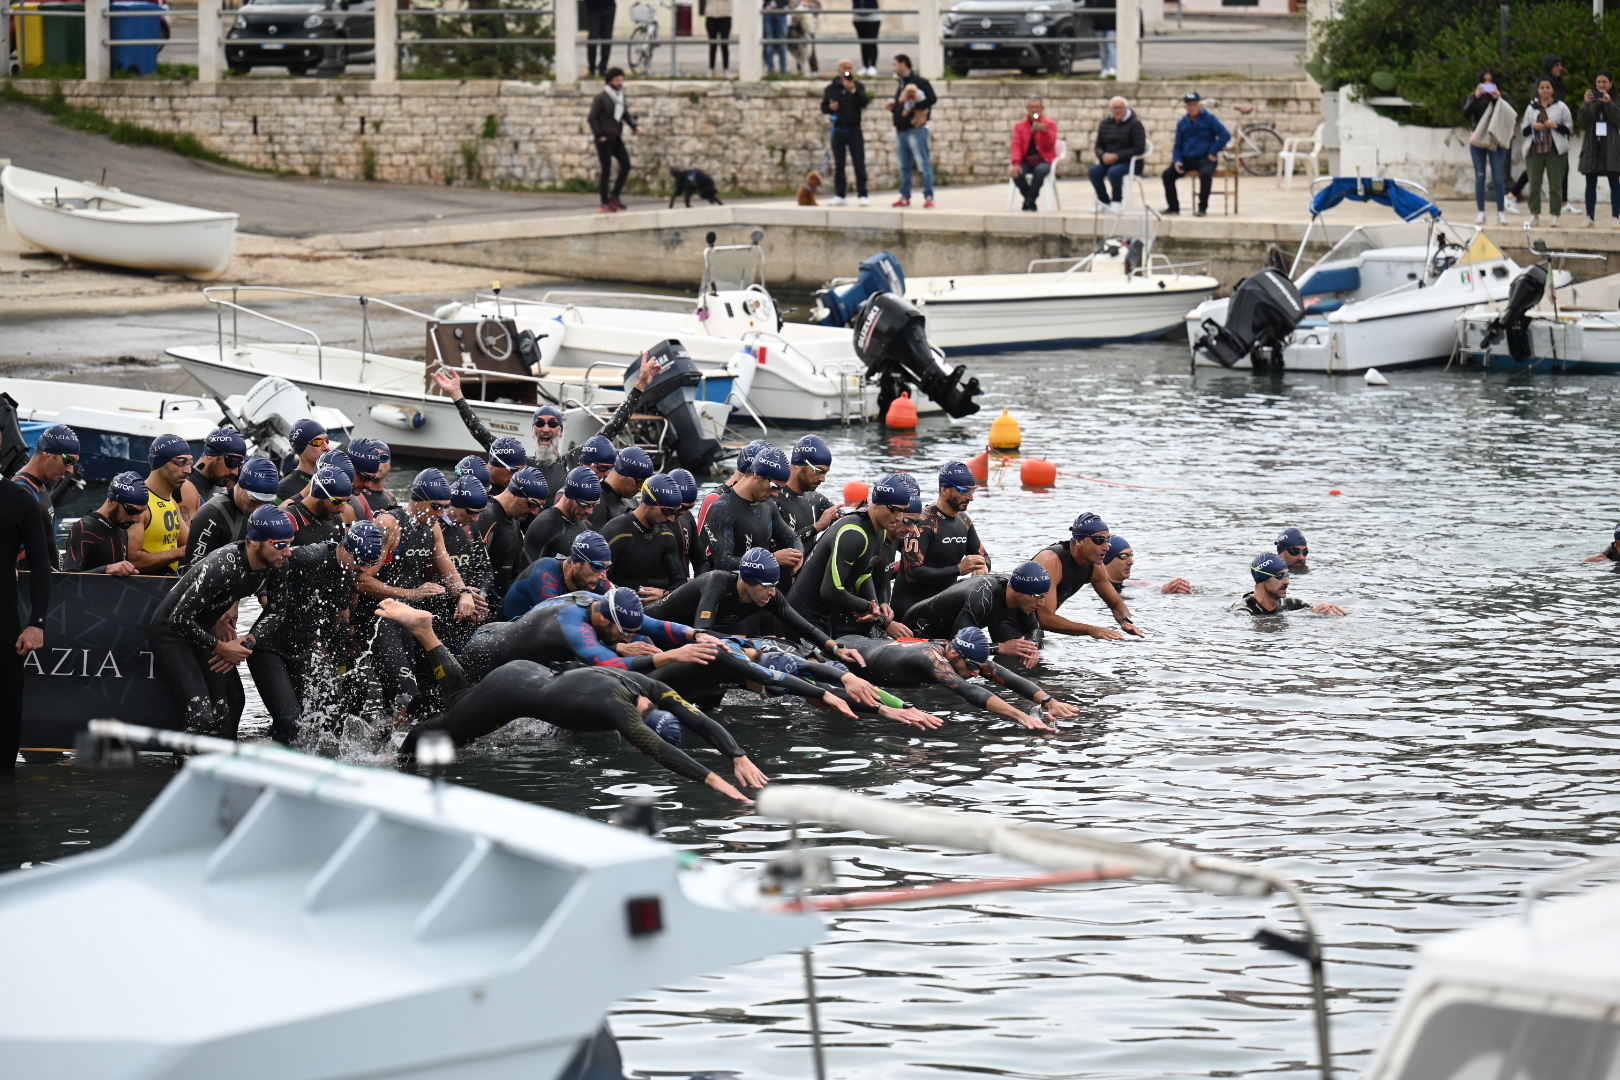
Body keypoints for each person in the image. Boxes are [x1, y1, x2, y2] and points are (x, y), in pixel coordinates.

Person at [381, 601, 763, 803]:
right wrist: (718, 782)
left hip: (526, 675)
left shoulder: (644, 685)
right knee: (432, 738)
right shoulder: (619, 711)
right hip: (510, 690)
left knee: (461, 703)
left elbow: (697, 720)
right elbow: (663, 752)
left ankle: (426, 634)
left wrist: (738, 755)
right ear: (636, 736)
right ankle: (390, 765)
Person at [148, 505, 293, 739]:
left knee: (234, 702)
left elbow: (277, 611)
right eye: (280, 545)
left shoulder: (278, 564)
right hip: (171, 634)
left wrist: (247, 643)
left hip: (204, 630)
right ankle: (183, 769)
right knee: (200, 713)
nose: (288, 552)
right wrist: (222, 648)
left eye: (290, 543)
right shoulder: (223, 565)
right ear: (256, 542)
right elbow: (178, 618)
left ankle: (225, 765)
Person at [248, 520, 384, 744]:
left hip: (305, 647)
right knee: (289, 719)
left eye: (370, 564)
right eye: (360, 562)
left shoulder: (348, 570)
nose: (364, 569)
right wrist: (262, 595)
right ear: (346, 547)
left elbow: (338, 614)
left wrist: (348, 633)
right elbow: (257, 561)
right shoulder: (311, 556)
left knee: (333, 713)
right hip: (270, 647)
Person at [646, 547, 868, 666]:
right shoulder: (716, 583)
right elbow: (700, 633)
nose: (772, 592)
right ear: (747, 581)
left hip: (681, 645)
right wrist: (757, 642)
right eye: (767, 586)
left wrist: (835, 648)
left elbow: (805, 628)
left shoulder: (769, 595)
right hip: (648, 634)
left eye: (774, 586)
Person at [838, 627, 1076, 732]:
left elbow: (1008, 677)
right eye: (971, 666)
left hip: (861, 643)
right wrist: (1020, 715)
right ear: (953, 653)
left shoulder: (958, 653)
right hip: (842, 654)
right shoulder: (931, 658)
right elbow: (968, 691)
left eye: (979, 668)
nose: (975, 673)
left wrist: (1048, 701)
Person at [458, 587, 720, 680]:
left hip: (497, 636)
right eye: (625, 633)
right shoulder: (574, 623)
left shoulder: (602, 602)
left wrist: (696, 635)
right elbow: (609, 664)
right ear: (605, 618)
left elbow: (655, 626)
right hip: (483, 656)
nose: (630, 638)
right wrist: (672, 656)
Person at [788, 473, 915, 638]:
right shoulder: (853, 533)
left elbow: (864, 573)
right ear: (876, 503)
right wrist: (871, 609)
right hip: (800, 617)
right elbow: (830, 590)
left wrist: (874, 607)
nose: (899, 518)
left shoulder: (881, 531)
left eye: (903, 512)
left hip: (824, 618)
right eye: (894, 510)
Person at [902, 562, 1047, 669]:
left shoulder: (1023, 598)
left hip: (948, 636)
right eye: (1038, 597)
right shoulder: (982, 599)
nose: (1042, 603)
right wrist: (1001, 647)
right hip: (920, 630)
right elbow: (957, 647)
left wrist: (1032, 647)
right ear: (1017, 591)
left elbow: (1034, 629)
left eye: (1044, 596)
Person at [893, 460, 989, 618]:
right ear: (945, 490)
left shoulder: (964, 521)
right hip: (911, 611)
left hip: (942, 608)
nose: (971, 497)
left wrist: (982, 566)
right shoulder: (922, 522)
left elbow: (984, 556)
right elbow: (912, 572)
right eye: (964, 491)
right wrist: (959, 569)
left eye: (973, 490)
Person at [2, 475, 52, 769]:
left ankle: (5, 790)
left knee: (7, 707)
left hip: (3, 619)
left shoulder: (20, 499)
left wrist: (38, 622)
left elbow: (41, 564)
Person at [1028, 512, 1142, 640]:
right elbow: (1046, 619)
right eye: (1099, 540)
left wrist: (1125, 621)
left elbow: (1116, 603)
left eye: (1107, 540)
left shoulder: (1095, 566)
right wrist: (1091, 630)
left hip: (1031, 624)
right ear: (1080, 541)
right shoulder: (1051, 561)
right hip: (1008, 617)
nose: (1107, 547)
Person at [702, 445, 804, 575]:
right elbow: (723, 562)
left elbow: (792, 538)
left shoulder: (768, 505)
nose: (776, 494)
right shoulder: (722, 509)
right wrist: (773, 559)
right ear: (757, 474)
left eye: (780, 489)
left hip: (763, 588)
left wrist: (798, 555)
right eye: (774, 487)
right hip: (730, 589)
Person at [602, 474, 687, 599]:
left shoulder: (666, 535)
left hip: (644, 605)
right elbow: (595, 580)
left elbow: (680, 582)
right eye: (667, 511)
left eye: (675, 511)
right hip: (611, 603)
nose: (672, 518)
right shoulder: (617, 532)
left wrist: (664, 595)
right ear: (648, 503)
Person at [185, 456, 280, 569]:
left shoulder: (271, 512)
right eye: (255, 500)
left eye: (266, 502)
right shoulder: (211, 515)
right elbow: (190, 572)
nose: (259, 507)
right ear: (240, 485)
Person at [480, 465, 548, 614]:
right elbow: (475, 571)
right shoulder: (487, 516)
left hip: (496, 610)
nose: (535, 512)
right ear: (513, 494)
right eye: (532, 504)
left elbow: (515, 573)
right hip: (479, 609)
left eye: (540, 507)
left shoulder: (515, 520)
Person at [11, 423, 78, 569]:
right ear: (47, 452)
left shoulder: (39, 486)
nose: (71, 470)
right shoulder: (20, 491)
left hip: (51, 584)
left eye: (74, 463)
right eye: (67, 460)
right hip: (28, 588)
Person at [506, 530, 614, 620]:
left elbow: (621, 607)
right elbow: (557, 621)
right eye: (597, 566)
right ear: (575, 563)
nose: (603, 576)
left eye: (607, 567)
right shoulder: (544, 572)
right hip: (503, 636)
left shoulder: (596, 578)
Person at [130, 433, 193, 575]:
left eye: (189, 462)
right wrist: (178, 553)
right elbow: (133, 561)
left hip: (167, 589)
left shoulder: (171, 502)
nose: (188, 470)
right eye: (180, 462)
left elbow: (191, 546)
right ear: (160, 462)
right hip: (143, 591)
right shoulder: (139, 503)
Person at [63, 471, 147, 575]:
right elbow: (68, 579)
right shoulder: (84, 529)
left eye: (140, 512)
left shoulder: (122, 528)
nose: (137, 519)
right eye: (131, 511)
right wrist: (106, 570)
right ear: (111, 501)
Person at [1163, 91, 1229, 218]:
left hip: (1205, 158)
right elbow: (1178, 144)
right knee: (1167, 175)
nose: (1192, 107)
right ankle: (1173, 207)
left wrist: (1213, 151)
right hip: (1187, 158)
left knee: (1205, 174)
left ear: (1200, 105)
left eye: (1194, 104)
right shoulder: (1182, 123)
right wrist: (1177, 160)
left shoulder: (1210, 119)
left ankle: (1202, 207)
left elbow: (1224, 135)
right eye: (1189, 105)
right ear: (1186, 107)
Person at [524, 465, 603, 564]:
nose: (590, 511)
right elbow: (526, 574)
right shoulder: (544, 526)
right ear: (568, 495)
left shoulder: (587, 526)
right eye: (583, 505)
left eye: (594, 505)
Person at [1464, 69, 1513, 227]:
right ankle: (1481, 213)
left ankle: (1501, 213)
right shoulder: (1475, 97)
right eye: (1484, 81)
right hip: (1478, 140)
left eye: (1490, 81)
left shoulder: (1503, 96)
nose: (1487, 84)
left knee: (1498, 177)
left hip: (1495, 140)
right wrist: (1475, 98)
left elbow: (1510, 114)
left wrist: (1498, 99)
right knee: (1480, 176)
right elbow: (1465, 114)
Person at [589, 68, 641, 214]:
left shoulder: (620, 97)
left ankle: (615, 197)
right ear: (610, 81)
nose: (620, 83)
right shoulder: (602, 98)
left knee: (626, 165)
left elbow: (625, 113)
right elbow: (592, 118)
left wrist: (634, 126)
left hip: (616, 137)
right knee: (606, 171)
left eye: (622, 80)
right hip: (604, 139)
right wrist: (600, 135)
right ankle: (604, 203)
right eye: (617, 80)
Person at [888, 55, 937, 209]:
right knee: (904, 165)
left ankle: (929, 196)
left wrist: (918, 102)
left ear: (904, 64)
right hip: (902, 129)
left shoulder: (920, 82)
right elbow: (902, 104)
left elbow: (932, 99)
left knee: (923, 164)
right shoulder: (901, 83)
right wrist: (894, 108)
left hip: (916, 129)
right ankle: (905, 195)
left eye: (895, 65)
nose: (894, 68)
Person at [1524, 76, 1572, 229]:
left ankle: (1555, 215)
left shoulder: (1561, 107)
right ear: (1538, 90)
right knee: (1534, 184)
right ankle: (1535, 214)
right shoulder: (1531, 108)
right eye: (1542, 88)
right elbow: (1523, 129)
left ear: (1552, 90)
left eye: (1548, 87)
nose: (1545, 90)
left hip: (1554, 150)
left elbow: (1569, 127)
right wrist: (1533, 127)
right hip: (1535, 150)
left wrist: (1555, 126)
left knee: (1555, 184)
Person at [821, 60, 870, 206]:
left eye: (850, 68)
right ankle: (840, 194)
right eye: (845, 68)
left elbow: (864, 101)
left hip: (854, 129)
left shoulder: (858, 86)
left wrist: (853, 91)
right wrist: (831, 108)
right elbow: (824, 107)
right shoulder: (831, 88)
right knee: (839, 163)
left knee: (859, 162)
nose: (847, 70)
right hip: (839, 129)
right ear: (839, 70)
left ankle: (862, 193)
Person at [1235, 552, 1345, 617]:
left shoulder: (1293, 604)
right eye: (1280, 576)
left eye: (1287, 575)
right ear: (1262, 579)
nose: (1287, 581)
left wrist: (1326, 611)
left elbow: (1313, 612)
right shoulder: (1243, 610)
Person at [775, 435, 837, 547]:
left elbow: (845, 519)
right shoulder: (772, 498)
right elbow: (770, 547)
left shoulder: (816, 499)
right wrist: (817, 527)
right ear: (798, 464)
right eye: (818, 471)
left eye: (825, 473)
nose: (823, 479)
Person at [1089, 95, 1146, 210]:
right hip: (1108, 161)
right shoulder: (1105, 123)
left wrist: (1117, 156)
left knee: (1113, 172)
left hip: (1130, 163)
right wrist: (1102, 155)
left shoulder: (1135, 124)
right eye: (1115, 108)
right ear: (1110, 110)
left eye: (1121, 108)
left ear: (1127, 108)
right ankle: (1104, 201)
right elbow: (1098, 146)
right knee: (1093, 171)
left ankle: (1117, 201)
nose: (1118, 111)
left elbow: (1139, 148)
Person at [1579, 71, 1620, 228]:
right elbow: (1582, 119)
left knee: (1614, 184)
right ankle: (1589, 216)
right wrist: (1586, 104)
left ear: (1611, 84)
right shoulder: (1592, 100)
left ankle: (1616, 216)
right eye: (1598, 83)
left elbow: (1618, 120)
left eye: (1604, 82)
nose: (1601, 85)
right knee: (1590, 184)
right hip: (1593, 147)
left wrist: (1609, 103)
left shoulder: (1616, 101)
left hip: (1610, 148)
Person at [1009, 96, 1061, 213]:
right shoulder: (1020, 126)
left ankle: (1030, 199)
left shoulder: (1049, 124)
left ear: (1042, 108)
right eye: (1032, 107)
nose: (1034, 110)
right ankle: (1029, 200)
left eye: (1037, 107)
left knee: (1040, 172)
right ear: (1028, 109)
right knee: (1016, 173)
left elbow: (1050, 145)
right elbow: (1016, 145)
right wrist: (1016, 163)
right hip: (1027, 160)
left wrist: (1044, 132)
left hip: (1044, 160)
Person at [589, 444, 656, 530]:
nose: (640, 489)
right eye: (639, 483)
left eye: (644, 484)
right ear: (622, 473)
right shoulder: (596, 503)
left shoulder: (632, 501)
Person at [284, 466, 354, 547]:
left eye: (347, 501)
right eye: (337, 502)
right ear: (318, 493)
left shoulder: (337, 520)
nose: (342, 509)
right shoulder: (288, 520)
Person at [182, 426, 246, 512]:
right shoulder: (185, 488)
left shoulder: (222, 489)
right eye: (233, 462)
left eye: (239, 465)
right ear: (211, 454)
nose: (235, 472)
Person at [1102, 535, 1192, 594]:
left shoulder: (1137, 584)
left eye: (1131, 555)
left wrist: (1177, 587)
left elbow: (1162, 587)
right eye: (1124, 556)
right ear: (1106, 559)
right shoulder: (1094, 591)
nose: (1131, 562)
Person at [275, 419, 329, 502]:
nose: (327, 447)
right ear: (302, 448)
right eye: (318, 442)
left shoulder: (332, 479)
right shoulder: (284, 489)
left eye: (327, 440)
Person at [348, 437, 398, 517]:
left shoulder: (390, 497)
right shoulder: (356, 493)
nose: (377, 462)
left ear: (390, 465)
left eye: (383, 458)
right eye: (374, 457)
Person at [669, 467, 703, 577]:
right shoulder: (651, 522)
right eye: (682, 507)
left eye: (688, 509)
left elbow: (701, 562)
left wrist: (698, 586)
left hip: (680, 591)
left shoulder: (687, 518)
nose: (684, 513)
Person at [585, 0, 617, 78]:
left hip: (609, 8)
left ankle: (603, 68)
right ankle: (592, 68)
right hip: (593, 9)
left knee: (606, 38)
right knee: (593, 37)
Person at [850, 0, 878, 75]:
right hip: (858, 16)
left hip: (873, 15)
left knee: (872, 42)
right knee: (863, 43)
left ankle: (872, 65)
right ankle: (865, 65)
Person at [703, 0, 732, 72]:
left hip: (725, 15)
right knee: (712, 44)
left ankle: (726, 68)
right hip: (711, 15)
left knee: (724, 44)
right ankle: (711, 68)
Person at [764, 0, 790, 75]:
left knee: (782, 43)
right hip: (768, 13)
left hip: (780, 12)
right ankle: (771, 69)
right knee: (769, 43)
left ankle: (783, 69)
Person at [1092, 0, 1116, 78]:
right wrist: (1092, 15)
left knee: (1110, 45)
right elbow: (1089, 3)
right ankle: (1105, 68)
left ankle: (1113, 67)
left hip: (1112, 22)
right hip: (1099, 23)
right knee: (1102, 47)